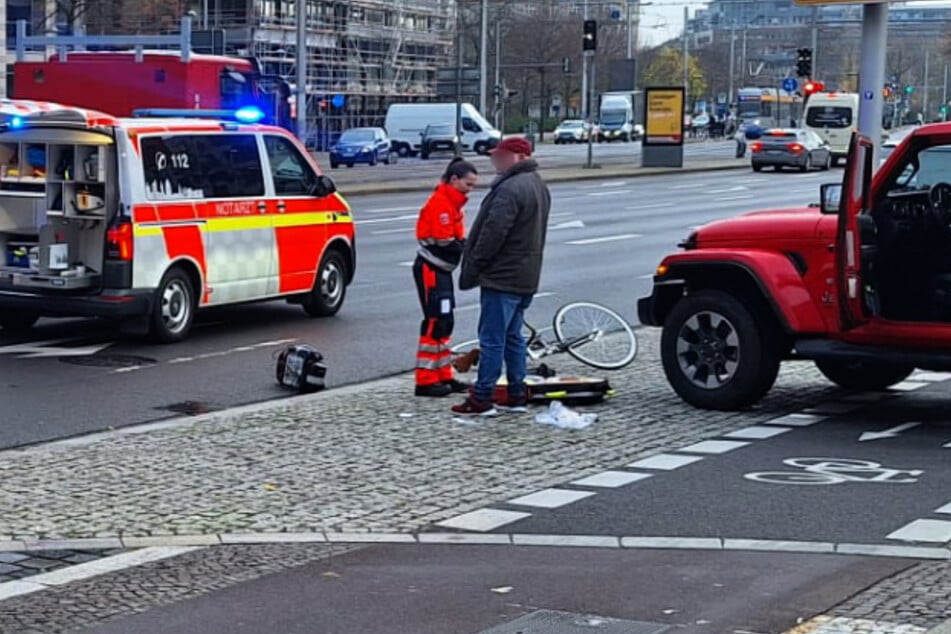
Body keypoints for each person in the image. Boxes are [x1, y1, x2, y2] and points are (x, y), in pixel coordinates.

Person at [452, 137, 551, 416]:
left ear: (517, 157)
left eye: (501, 156)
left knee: (492, 338)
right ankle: (517, 392)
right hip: (526, 274)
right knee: (513, 336)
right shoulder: (538, 184)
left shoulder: (510, 189)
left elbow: (493, 233)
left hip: (503, 275)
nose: (496, 161)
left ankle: (482, 397)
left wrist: (477, 262)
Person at [413, 157, 479, 397]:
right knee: (435, 322)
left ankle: (442, 374)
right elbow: (444, 241)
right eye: (468, 184)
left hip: (440, 270)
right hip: (432, 268)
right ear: (454, 179)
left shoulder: (451, 204)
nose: (470, 190)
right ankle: (426, 379)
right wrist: (466, 247)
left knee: (444, 321)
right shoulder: (441, 204)